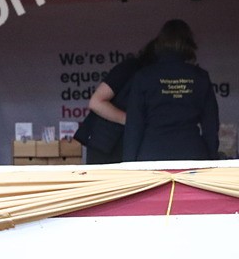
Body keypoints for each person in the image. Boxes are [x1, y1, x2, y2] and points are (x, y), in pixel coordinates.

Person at [122, 19, 219, 162]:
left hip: (152, 153)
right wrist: (211, 158)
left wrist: (129, 164)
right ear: (188, 44)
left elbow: (134, 126)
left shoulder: (144, 77)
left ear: (160, 43)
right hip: (192, 152)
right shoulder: (200, 77)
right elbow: (211, 125)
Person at [77, 42, 155, 164]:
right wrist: (133, 121)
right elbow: (96, 102)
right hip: (106, 145)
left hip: (128, 144)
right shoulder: (131, 67)